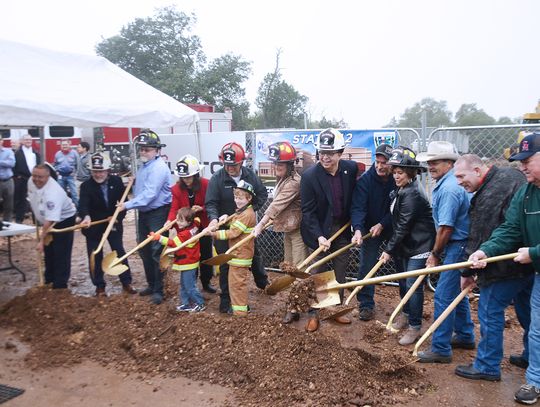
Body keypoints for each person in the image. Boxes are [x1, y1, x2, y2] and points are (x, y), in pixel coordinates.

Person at [469, 133, 540, 405]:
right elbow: (510, 229)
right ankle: (535, 381)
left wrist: (533, 252)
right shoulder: (526, 193)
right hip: (537, 272)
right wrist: (486, 250)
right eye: (519, 161)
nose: (521, 166)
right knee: (536, 329)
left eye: (527, 160)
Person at [452, 154, 532, 381]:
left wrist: (467, 272)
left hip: (503, 266)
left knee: (489, 311)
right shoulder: (511, 175)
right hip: (525, 260)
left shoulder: (491, 192)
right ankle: (530, 354)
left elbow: (480, 235)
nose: (459, 182)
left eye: (461, 176)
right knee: (528, 313)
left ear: (477, 170)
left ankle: (487, 365)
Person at [416, 141, 475, 362]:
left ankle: (440, 348)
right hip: (459, 244)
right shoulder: (447, 183)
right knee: (456, 294)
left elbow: (446, 228)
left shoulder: (450, 188)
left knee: (443, 295)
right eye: (429, 162)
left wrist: (435, 253)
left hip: (457, 244)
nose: (431, 166)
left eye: (436, 162)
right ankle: (465, 334)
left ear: (450, 163)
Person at [300, 128, 358, 332]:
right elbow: (307, 212)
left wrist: (356, 226)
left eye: (330, 153)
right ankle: (314, 313)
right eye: (321, 152)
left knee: (340, 271)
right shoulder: (309, 176)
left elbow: (356, 200)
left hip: (341, 228)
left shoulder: (350, 169)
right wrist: (319, 236)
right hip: (319, 230)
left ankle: (335, 310)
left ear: (340, 153)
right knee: (318, 272)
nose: (324, 157)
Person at [379, 147, 435, 345]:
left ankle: (414, 326)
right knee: (403, 283)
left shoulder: (412, 194)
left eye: (400, 173)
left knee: (413, 286)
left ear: (410, 173)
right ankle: (406, 313)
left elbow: (403, 227)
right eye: (394, 172)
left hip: (419, 246)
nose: (396, 176)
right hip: (405, 246)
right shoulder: (400, 190)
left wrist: (387, 250)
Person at [205, 142, 269, 313]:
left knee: (254, 256)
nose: (230, 168)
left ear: (241, 162)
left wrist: (249, 211)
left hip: (244, 228)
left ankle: (263, 284)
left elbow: (262, 194)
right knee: (226, 263)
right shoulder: (217, 179)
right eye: (226, 164)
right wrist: (214, 219)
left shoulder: (250, 176)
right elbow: (211, 203)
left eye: (233, 165)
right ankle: (226, 301)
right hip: (224, 229)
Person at [253, 141, 307, 324]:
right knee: (289, 269)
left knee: (298, 270)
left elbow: (276, 206)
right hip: (288, 230)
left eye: (281, 164)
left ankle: (296, 308)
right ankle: (294, 306)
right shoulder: (282, 180)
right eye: (275, 163)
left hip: (298, 232)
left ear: (290, 165)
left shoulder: (294, 183)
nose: (276, 167)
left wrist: (260, 224)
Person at [118, 129, 172, 305]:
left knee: (157, 251)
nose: (143, 152)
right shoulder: (144, 167)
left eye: (147, 149)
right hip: (145, 213)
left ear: (157, 150)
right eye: (142, 149)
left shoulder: (158, 168)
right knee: (144, 249)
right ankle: (151, 284)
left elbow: (149, 194)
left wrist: (127, 205)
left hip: (158, 213)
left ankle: (159, 289)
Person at [78, 151, 136, 297]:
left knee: (118, 251)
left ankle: (126, 281)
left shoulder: (116, 182)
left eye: (101, 171)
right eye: (95, 171)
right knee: (95, 254)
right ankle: (99, 285)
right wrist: (85, 217)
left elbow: (122, 203)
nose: (98, 174)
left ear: (108, 170)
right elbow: (83, 205)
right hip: (93, 225)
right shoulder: (86, 186)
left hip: (113, 223)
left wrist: (117, 217)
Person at [351, 143, 398, 321]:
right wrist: (357, 229)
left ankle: (406, 305)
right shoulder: (365, 180)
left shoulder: (398, 178)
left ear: (392, 164)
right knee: (366, 265)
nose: (379, 166)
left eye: (384, 163)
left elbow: (399, 209)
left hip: (393, 227)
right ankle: (366, 304)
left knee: (401, 263)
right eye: (377, 162)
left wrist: (383, 223)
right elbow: (358, 208)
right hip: (370, 229)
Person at [167, 154, 216, 294]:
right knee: (189, 255)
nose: (186, 180)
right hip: (187, 230)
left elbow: (212, 203)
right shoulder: (176, 189)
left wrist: (202, 208)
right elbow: (174, 208)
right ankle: (191, 283)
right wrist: (169, 221)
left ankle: (206, 282)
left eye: (189, 177)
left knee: (206, 254)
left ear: (196, 174)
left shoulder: (206, 184)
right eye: (183, 177)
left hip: (204, 226)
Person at [210, 181, 256, 316]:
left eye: (241, 198)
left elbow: (233, 232)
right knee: (236, 283)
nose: (237, 201)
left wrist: (215, 234)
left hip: (240, 256)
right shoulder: (242, 212)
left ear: (249, 198)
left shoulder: (247, 214)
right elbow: (235, 222)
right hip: (237, 254)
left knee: (237, 285)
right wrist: (225, 218)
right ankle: (242, 307)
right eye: (236, 197)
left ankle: (240, 313)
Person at [28, 164, 76, 288]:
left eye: (40, 177)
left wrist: (41, 241)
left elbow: (50, 221)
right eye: (34, 176)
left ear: (48, 177)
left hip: (64, 220)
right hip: (47, 219)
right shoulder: (31, 181)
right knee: (49, 251)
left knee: (60, 252)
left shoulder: (53, 193)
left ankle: (60, 284)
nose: (36, 179)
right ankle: (49, 279)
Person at [153, 207, 206, 312]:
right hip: (189, 261)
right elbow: (198, 220)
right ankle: (186, 303)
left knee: (190, 286)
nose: (178, 222)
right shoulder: (195, 224)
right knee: (183, 285)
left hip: (188, 262)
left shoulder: (184, 234)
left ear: (189, 221)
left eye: (181, 220)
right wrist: (193, 212)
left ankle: (200, 303)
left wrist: (159, 238)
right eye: (177, 219)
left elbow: (173, 243)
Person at [13, 134, 40, 223]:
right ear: (22, 141)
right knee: (21, 200)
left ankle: (36, 220)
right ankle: (19, 220)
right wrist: (17, 176)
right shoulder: (17, 153)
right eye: (26, 140)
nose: (28, 141)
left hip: (34, 179)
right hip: (22, 179)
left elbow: (39, 165)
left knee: (36, 199)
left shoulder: (35, 152)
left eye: (30, 140)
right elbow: (14, 166)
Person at [54, 139, 79, 208]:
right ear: (60, 146)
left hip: (71, 176)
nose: (64, 146)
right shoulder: (57, 154)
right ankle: (63, 209)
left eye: (66, 144)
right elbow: (55, 164)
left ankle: (78, 210)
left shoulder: (74, 153)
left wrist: (75, 174)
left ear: (69, 145)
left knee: (74, 194)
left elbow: (78, 165)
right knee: (61, 194)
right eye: (63, 145)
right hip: (61, 176)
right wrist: (57, 171)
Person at [0, 140, 15, 222]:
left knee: (9, 205)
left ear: (1, 141)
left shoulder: (8, 151)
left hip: (8, 181)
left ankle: (8, 224)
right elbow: (8, 163)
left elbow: (12, 163)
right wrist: (5, 162)